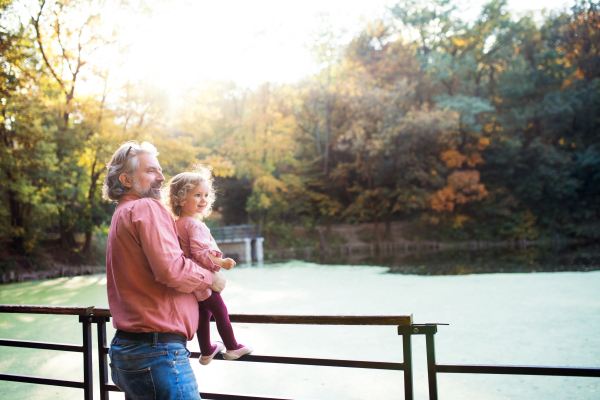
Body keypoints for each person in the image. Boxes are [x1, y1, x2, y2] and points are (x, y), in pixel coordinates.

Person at [102, 141, 226, 400]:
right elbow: (172, 270)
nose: (161, 177)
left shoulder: (121, 212)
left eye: (160, 170)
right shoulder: (146, 207)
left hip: (128, 349)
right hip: (157, 353)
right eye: (150, 171)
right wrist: (210, 278)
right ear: (125, 179)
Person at [164, 166, 253, 366]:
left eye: (206, 194)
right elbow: (200, 252)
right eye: (197, 195)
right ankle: (232, 347)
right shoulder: (195, 225)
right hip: (203, 279)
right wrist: (221, 262)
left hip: (192, 282)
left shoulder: (176, 224)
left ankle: (206, 351)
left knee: (204, 314)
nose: (203, 199)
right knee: (220, 312)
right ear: (180, 199)